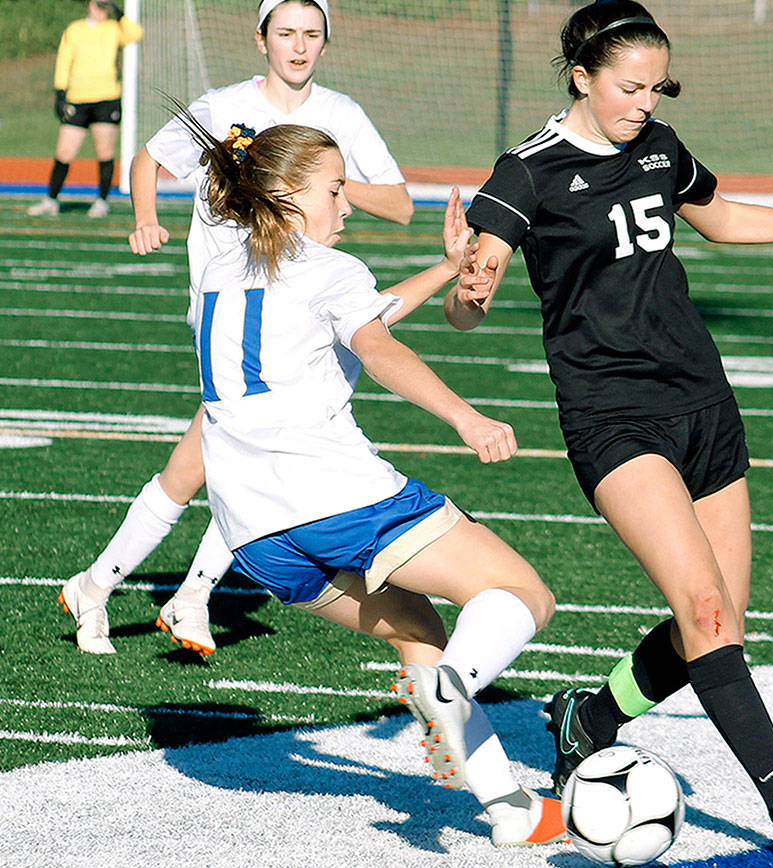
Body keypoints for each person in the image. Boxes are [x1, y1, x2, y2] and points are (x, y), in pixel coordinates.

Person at [452, 1, 773, 859]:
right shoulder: (529, 171)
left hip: (704, 403)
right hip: (611, 416)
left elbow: (722, 214)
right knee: (701, 607)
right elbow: (470, 294)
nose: (645, 103)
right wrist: (468, 296)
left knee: (721, 623)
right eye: (629, 87)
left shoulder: (660, 145)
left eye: (657, 87)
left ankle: (589, 717)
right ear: (582, 76)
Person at [166, 109, 565, 847]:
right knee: (522, 595)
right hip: (336, 497)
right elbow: (374, 345)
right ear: (287, 194)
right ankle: (454, 689)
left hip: (253, 532)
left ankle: (508, 808)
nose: (348, 207)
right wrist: (466, 418)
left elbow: (348, 314)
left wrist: (447, 268)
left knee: (421, 629)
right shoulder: (328, 270)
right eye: (337, 191)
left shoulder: (220, 270)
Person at [59, 0, 414, 657]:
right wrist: (145, 217)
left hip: (301, 304)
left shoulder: (340, 116)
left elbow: (398, 204)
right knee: (220, 461)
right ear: (261, 40)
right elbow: (148, 162)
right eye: (287, 34)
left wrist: (315, 182)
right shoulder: (223, 109)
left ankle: (144, 591)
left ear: (326, 44)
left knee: (238, 459)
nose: (299, 47)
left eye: (312, 35)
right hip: (231, 315)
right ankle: (124, 588)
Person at [27, 1, 143, 218]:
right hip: (78, 99)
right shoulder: (75, 29)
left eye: (104, 6)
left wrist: (119, 15)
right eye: (97, 5)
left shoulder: (113, 28)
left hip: (106, 99)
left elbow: (136, 34)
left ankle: (102, 201)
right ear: (90, 5)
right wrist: (60, 92)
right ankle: (51, 199)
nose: (100, 10)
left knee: (105, 152)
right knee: (64, 151)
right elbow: (64, 60)